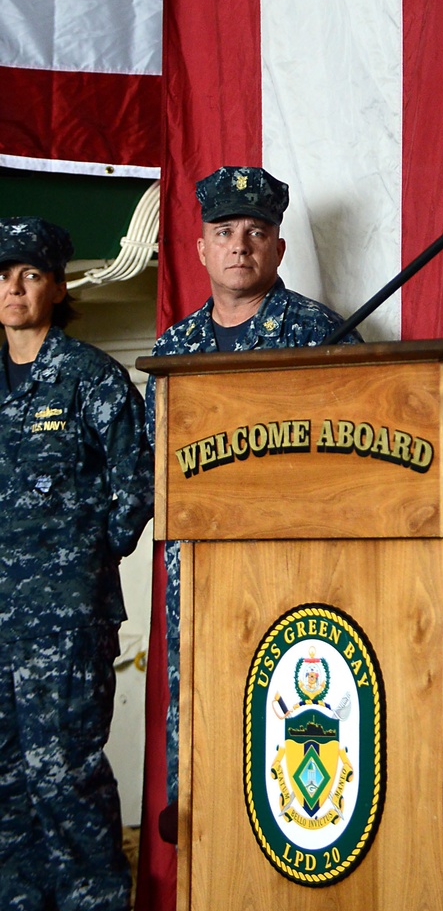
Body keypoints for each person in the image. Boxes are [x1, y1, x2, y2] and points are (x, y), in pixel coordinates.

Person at [147, 165, 361, 810]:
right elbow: (155, 467)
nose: (239, 244)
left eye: (256, 231)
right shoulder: (173, 349)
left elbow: (355, 463)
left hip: (293, 568)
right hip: (199, 571)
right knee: (203, 715)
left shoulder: (320, 336)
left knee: (291, 719)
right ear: (202, 248)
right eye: (224, 230)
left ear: (279, 247)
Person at [0, 217, 154, 911]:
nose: (14, 290)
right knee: (6, 777)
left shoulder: (91, 378)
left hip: (63, 615)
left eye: (29, 275)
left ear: (58, 288)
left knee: (65, 768)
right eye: (3, 277)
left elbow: (136, 488)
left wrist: (82, 559)